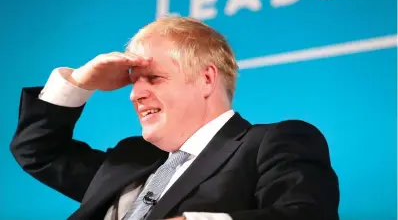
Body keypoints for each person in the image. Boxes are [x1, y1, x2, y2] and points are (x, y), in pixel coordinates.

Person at [10, 17, 340, 220]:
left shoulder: (271, 143)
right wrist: (80, 82)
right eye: (133, 81)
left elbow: (305, 215)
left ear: (207, 79)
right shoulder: (129, 159)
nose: (134, 95)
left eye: (153, 78)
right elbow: (37, 151)